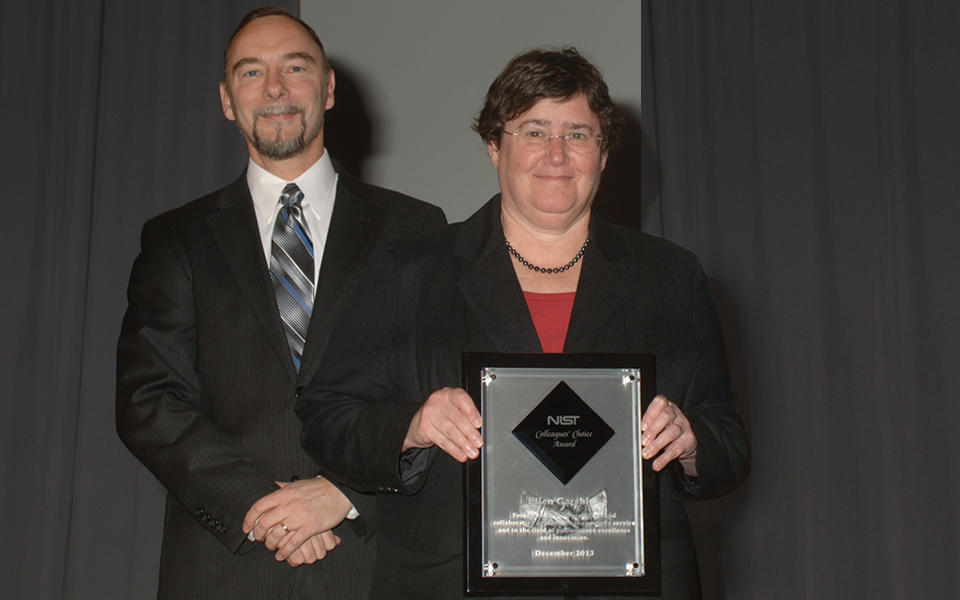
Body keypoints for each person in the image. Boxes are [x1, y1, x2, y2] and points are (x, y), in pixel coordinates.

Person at [294, 47, 749, 599]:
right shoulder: (408, 271)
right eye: (534, 131)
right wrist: (412, 426)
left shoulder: (671, 277)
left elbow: (729, 442)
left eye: (579, 134)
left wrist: (692, 440)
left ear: (604, 154)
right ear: (494, 146)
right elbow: (325, 418)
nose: (557, 154)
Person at [115, 6, 444, 599]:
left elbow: (433, 393)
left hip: (371, 563)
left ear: (329, 87)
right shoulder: (176, 239)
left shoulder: (416, 228)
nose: (274, 89)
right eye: (250, 72)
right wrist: (261, 505)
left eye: (295, 67)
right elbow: (150, 401)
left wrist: (343, 492)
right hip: (224, 567)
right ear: (225, 98)